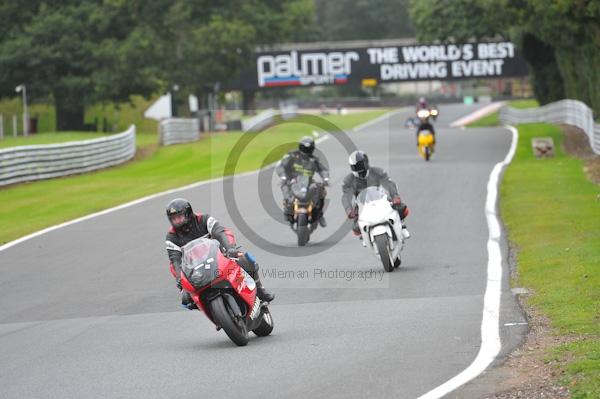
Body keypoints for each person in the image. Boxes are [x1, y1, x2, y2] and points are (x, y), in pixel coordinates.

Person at [165, 198, 274, 309]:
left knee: (246, 260)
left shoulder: (204, 219)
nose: (177, 221)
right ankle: (212, 311)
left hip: (219, 255)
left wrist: (230, 248)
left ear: (188, 214)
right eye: (174, 219)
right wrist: (180, 278)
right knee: (186, 300)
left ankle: (260, 289)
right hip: (195, 269)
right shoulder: (171, 236)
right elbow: (174, 259)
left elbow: (220, 232)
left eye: (179, 217)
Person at [342, 151, 410, 237]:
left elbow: (389, 183)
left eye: (360, 164)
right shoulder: (348, 180)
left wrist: (395, 196)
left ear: (366, 163)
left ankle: (402, 227)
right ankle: (365, 235)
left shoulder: (377, 171)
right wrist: (349, 209)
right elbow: (346, 196)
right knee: (356, 228)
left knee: (402, 209)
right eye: (355, 166)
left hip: (380, 199)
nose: (359, 169)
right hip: (362, 204)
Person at [275, 136, 329, 227]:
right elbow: (281, 166)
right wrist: (283, 176)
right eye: (304, 148)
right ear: (300, 147)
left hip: (308, 182)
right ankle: (287, 209)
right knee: (284, 187)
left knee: (321, 190)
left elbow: (322, 170)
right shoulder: (292, 155)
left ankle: (320, 215)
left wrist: (325, 179)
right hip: (292, 180)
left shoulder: (314, 160)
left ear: (312, 148)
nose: (306, 150)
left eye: (308, 148)